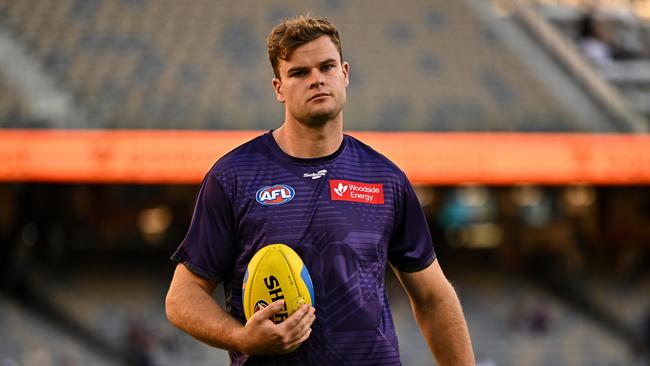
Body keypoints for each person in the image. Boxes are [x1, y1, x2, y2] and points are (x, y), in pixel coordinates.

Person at [165, 14, 475, 365]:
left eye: (326, 67)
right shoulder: (235, 177)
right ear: (278, 88)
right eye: (299, 73)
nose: (317, 80)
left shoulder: (385, 178)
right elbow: (182, 297)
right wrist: (241, 337)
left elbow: (434, 298)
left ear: (344, 73)